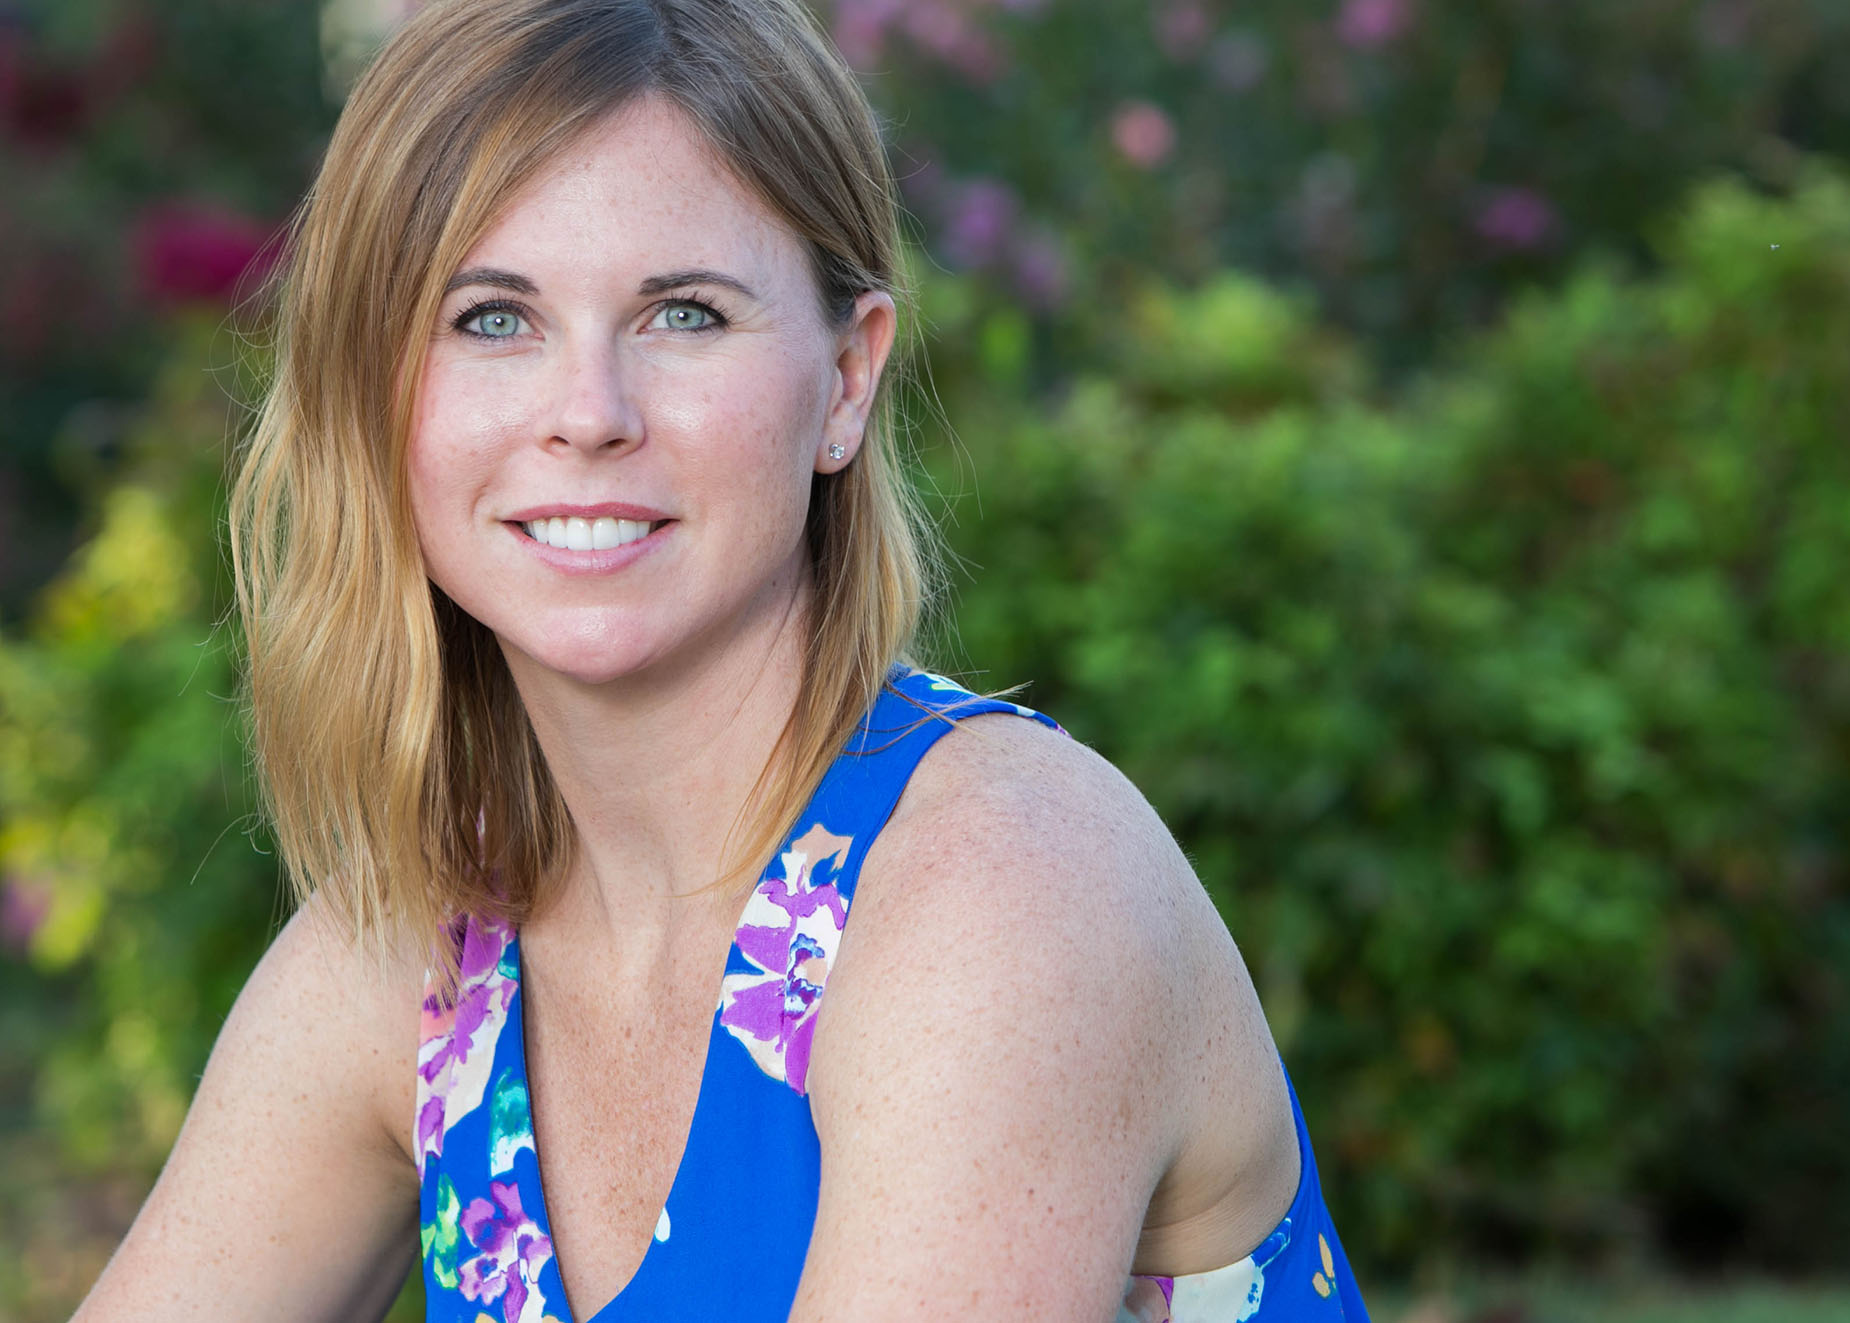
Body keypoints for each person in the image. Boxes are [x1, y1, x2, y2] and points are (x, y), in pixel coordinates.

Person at [72, 1, 1370, 1320]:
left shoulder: (1010, 892)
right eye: (491, 319)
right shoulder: (427, 951)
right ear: (374, 384)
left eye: (683, 313)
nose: (589, 414)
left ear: (848, 381)